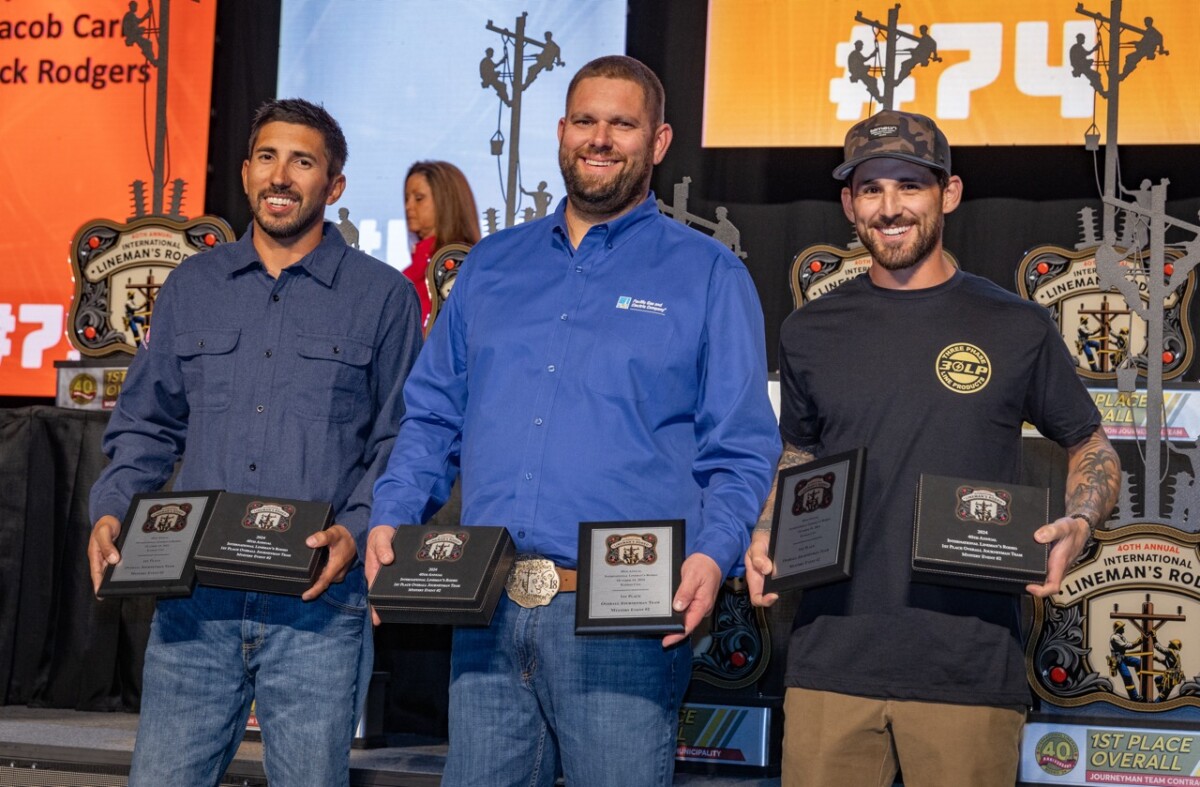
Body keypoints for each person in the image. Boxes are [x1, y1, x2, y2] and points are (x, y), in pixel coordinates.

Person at [367, 55, 779, 786]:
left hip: (626, 619)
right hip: (486, 609)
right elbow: (430, 417)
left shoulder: (708, 275)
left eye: (623, 124)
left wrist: (713, 557)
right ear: (560, 131)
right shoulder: (491, 267)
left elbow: (742, 448)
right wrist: (392, 514)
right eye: (586, 120)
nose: (600, 138)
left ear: (658, 142)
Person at [745, 109, 1120, 787]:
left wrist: (1081, 519)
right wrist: (771, 526)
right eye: (870, 188)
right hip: (833, 660)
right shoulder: (808, 330)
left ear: (948, 193)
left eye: (909, 185)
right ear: (848, 205)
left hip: (967, 665)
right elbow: (799, 453)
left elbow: (1090, 442)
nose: (890, 207)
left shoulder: (1016, 325)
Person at [87, 98, 422, 787]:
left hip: (318, 602)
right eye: (267, 157)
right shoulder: (192, 287)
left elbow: (401, 440)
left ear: (334, 187)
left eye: (303, 162)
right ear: (244, 174)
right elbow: (148, 421)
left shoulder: (383, 297)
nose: (281, 175)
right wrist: (113, 505)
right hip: (194, 599)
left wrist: (357, 532)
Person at [404, 160, 480, 329]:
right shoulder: (411, 273)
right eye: (406, 198)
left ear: (446, 200)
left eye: (419, 198)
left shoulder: (464, 266)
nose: (408, 206)